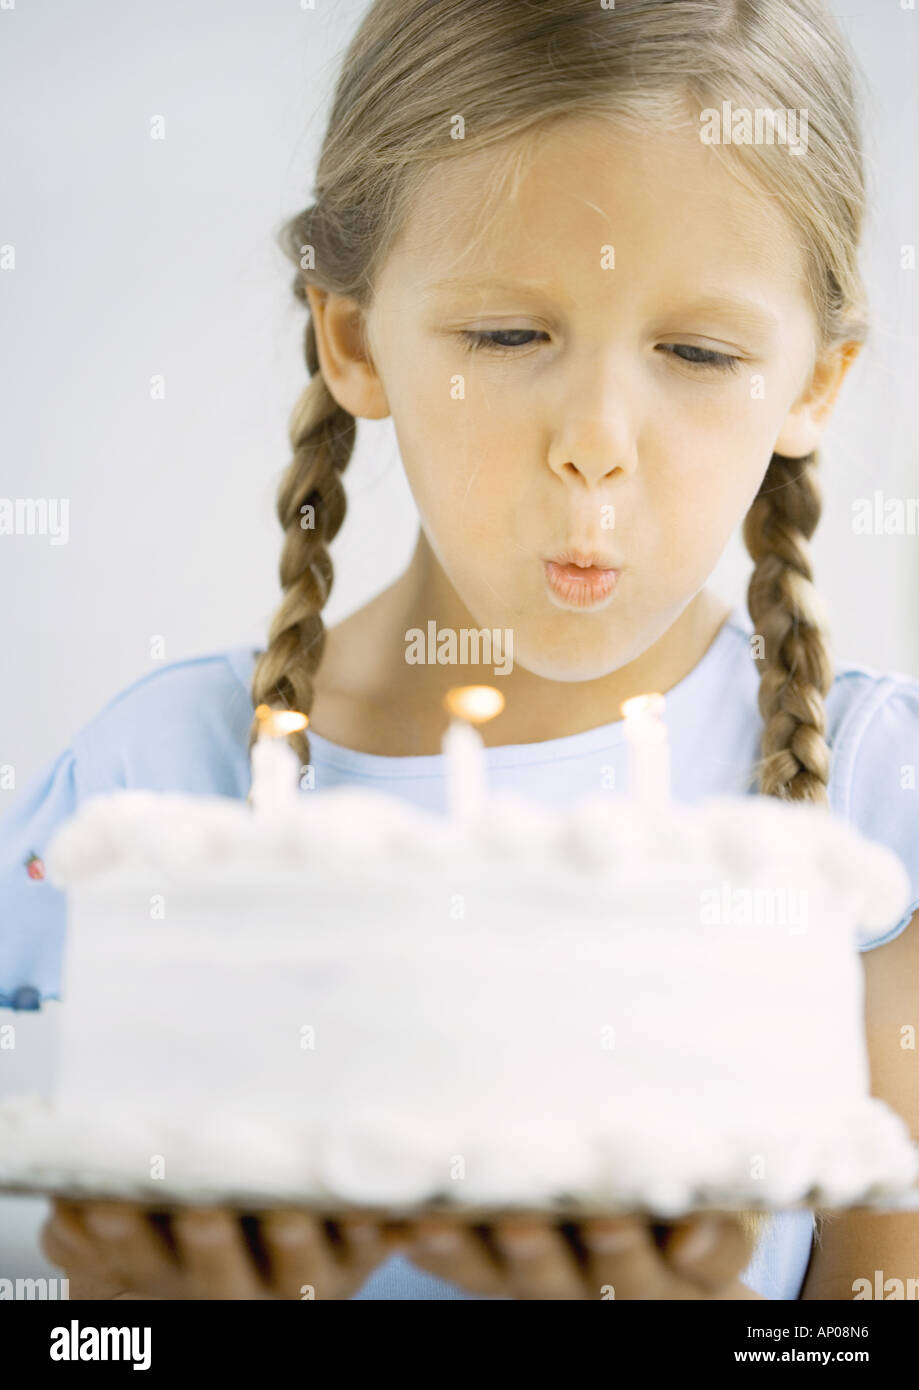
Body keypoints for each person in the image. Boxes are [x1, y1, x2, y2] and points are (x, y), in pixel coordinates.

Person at [3, 0, 918, 1299]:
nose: (595, 438)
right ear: (356, 337)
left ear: (814, 383)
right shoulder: (148, 792)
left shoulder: (884, 813)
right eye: (506, 335)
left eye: (699, 350)